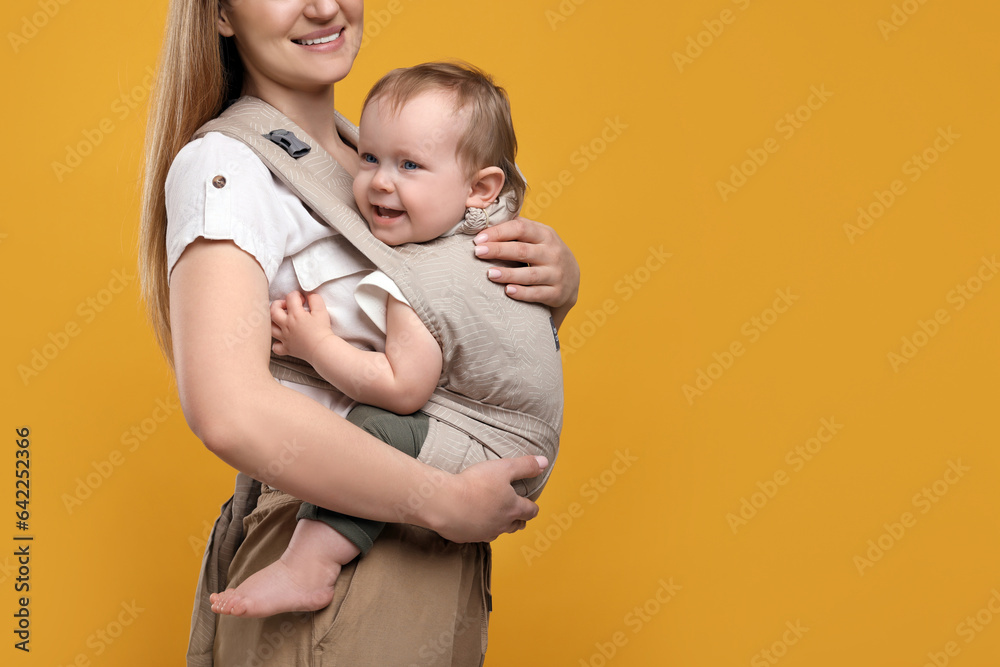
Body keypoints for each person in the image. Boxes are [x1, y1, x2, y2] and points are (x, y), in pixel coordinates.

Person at [138, 0, 580, 664]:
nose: (324, 5)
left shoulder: (373, 154)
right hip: (332, 563)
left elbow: (449, 348)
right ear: (221, 15)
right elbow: (228, 411)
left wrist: (553, 286)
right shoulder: (230, 168)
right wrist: (443, 498)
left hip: (432, 567)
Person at [207, 61, 563, 620]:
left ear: (480, 188)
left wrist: (315, 344)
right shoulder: (487, 237)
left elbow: (402, 388)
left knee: (377, 429)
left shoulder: (423, 279)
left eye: (410, 165)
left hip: (494, 447)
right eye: (369, 157)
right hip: (514, 440)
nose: (379, 181)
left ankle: (308, 568)